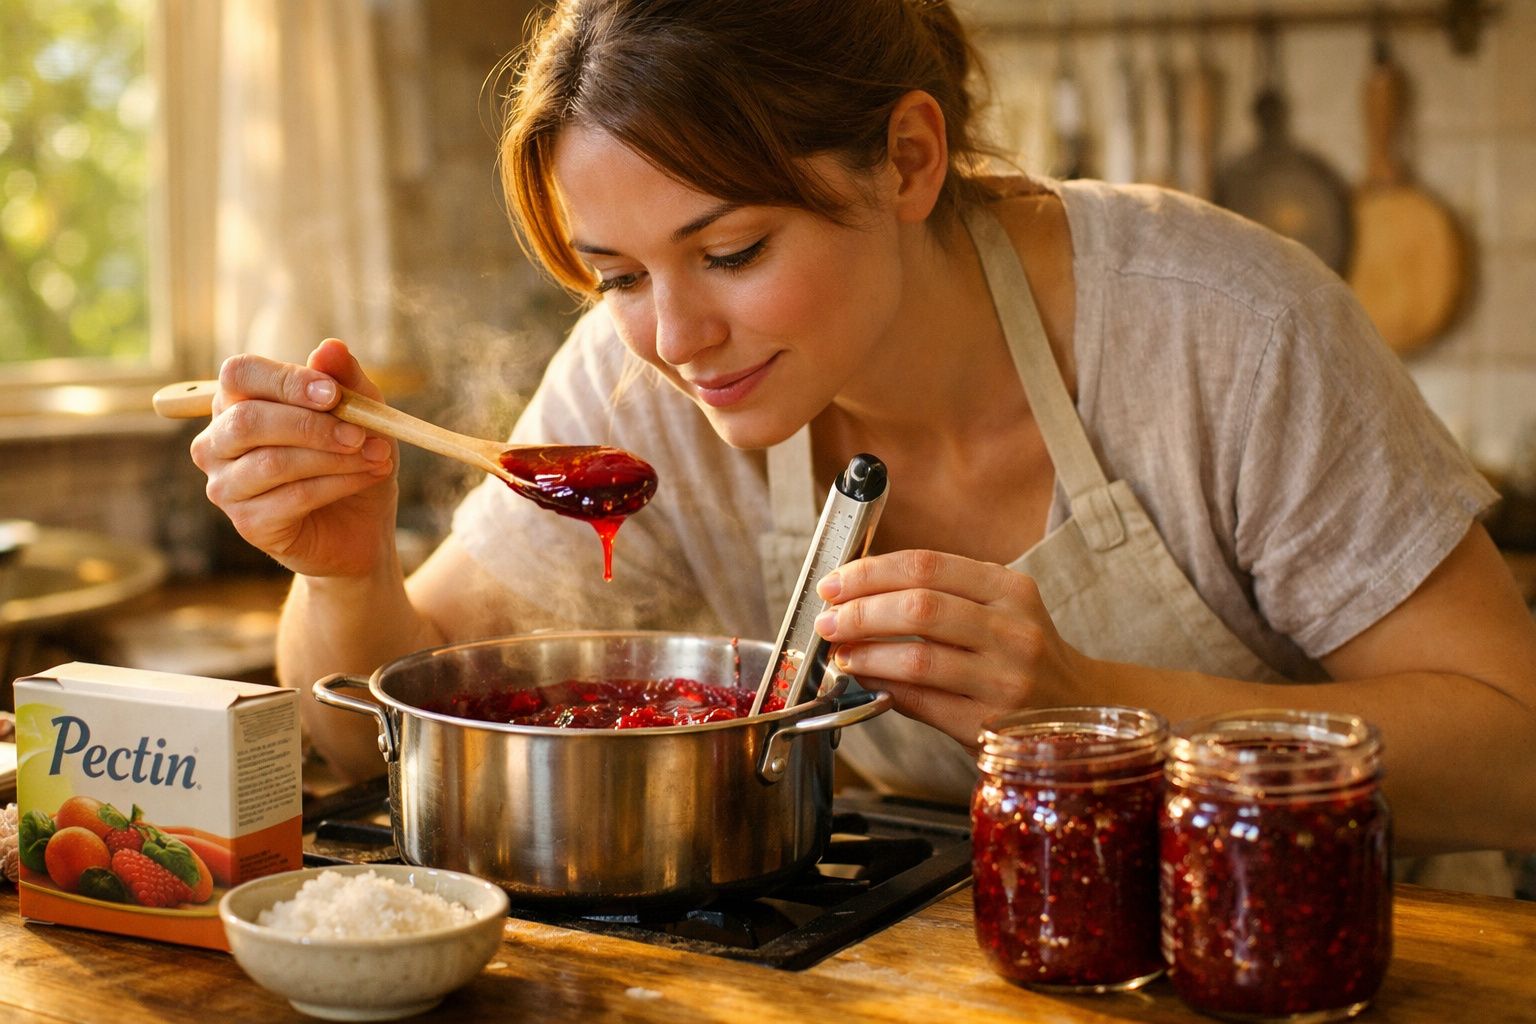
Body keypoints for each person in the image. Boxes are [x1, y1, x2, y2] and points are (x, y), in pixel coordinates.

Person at [188, 0, 1536, 880]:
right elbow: (375, 729)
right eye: (618, 273)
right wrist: (344, 572)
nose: (673, 337)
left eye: (732, 250)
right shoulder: (640, 376)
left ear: (907, 160)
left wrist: (1091, 712)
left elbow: (1515, 758)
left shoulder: (1224, 332)